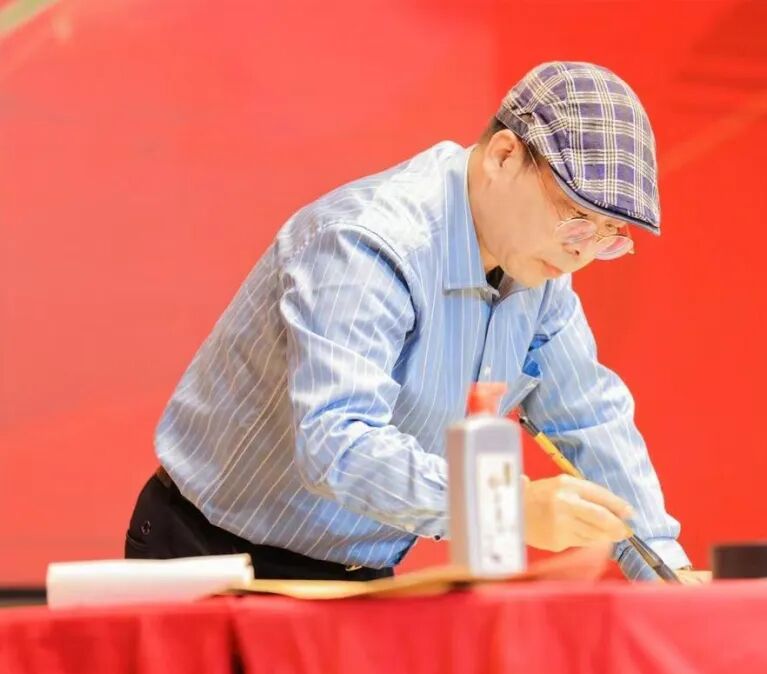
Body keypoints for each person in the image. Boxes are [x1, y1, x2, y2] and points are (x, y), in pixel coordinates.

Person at [125, 61, 706, 583]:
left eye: (609, 236)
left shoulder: (540, 275)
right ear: (505, 155)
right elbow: (338, 443)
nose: (582, 252)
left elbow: (589, 417)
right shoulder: (367, 241)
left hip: (357, 573)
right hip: (211, 554)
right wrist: (507, 508)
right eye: (575, 217)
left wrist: (666, 570)